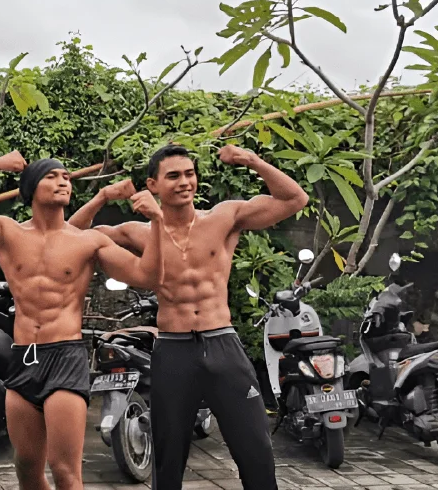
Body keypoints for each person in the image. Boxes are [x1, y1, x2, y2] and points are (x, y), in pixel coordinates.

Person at [69, 143, 309, 490]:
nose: (184, 182)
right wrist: (103, 196)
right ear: (152, 185)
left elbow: (294, 200)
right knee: (168, 456)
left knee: (255, 449)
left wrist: (252, 160)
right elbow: (71, 236)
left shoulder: (224, 217)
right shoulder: (139, 232)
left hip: (221, 342)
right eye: (173, 176)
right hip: (174, 348)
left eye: (189, 173)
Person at [0, 151, 166, 490]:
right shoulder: (7, 233)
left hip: (66, 357)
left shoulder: (88, 241)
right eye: (52, 176)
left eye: (67, 177)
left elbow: (148, 275)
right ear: (31, 187)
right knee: (27, 469)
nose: (63, 181)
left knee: (65, 472)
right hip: (24, 357)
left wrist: (158, 222)